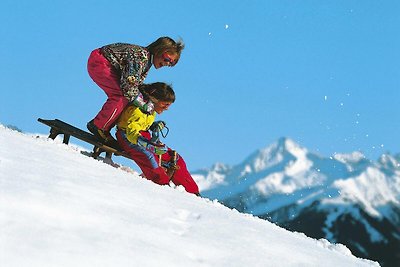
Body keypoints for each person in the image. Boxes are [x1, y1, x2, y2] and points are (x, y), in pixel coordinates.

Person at [87, 37, 184, 143]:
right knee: (122, 96)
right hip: (101, 62)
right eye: (167, 59)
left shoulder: (146, 61)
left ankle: (106, 126)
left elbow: (135, 85)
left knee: (128, 97)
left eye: (172, 63)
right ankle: (99, 126)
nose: (167, 64)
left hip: (106, 63)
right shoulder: (140, 57)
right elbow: (129, 88)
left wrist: (144, 101)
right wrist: (143, 104)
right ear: (158, 50)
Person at [116, 82, 200, 195]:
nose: (167, 108)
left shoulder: (150, 110)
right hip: (128, 138)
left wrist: (153, 126)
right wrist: (145, 144)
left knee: (175, 159)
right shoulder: (136, 110)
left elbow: (142, 123)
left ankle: (192, 191)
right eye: (165, 104)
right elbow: (131, 130)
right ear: (155, 99)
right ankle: (163, 187)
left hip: (144, 136)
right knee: (150, 157)